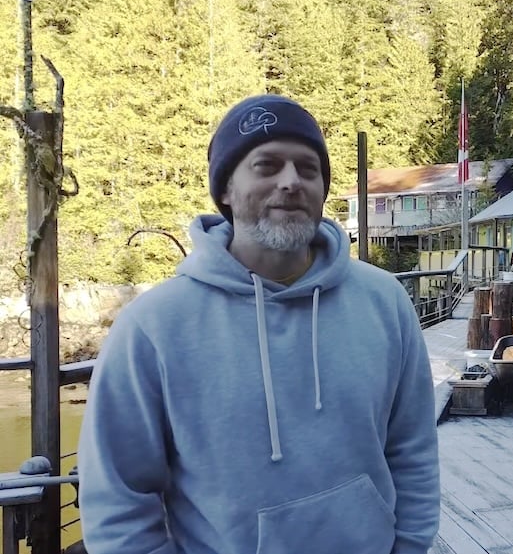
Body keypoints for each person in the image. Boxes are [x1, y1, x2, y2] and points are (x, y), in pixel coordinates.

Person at [78, 94, 441, 554]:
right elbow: (117, 500)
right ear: (225, 190)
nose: (291, 182)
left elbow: (413, 449)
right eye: (266, 166)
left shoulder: (384, 301)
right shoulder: (152, 327)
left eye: (308, 169)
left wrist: (409, 546)